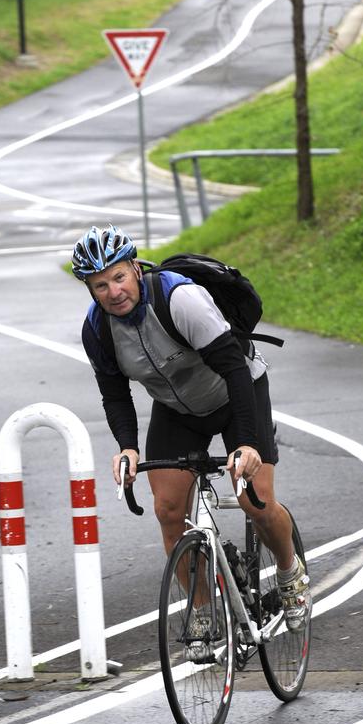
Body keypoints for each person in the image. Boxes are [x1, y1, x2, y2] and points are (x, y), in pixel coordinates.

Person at [73, 223, 311, 633]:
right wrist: (127, 448)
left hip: (237, 392)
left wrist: (247, 443)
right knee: (168, 510)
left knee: (256, 501)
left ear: (134, 267)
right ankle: (203, 614)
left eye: (118, 277)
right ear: (90, 291)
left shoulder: (179, 298)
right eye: (99, 286)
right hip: (177, 410)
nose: (113, 292)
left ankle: (290, 574)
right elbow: (115, 395)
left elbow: (235, 368)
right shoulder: (97, 330)